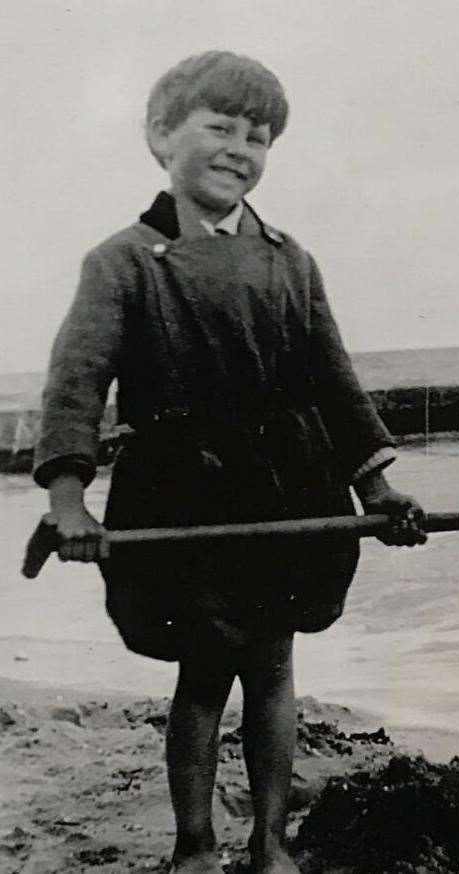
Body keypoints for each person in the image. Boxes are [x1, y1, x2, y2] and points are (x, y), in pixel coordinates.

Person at [33, 50, 426, 874]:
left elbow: (335, 383)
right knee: (206, 673)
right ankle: (195, 847)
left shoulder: (290, 259)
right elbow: (77, 385)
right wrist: (69, 501)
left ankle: (270, 845)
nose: (239, 149)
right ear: (159, 137)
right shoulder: (126, 262)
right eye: (219, 127)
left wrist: (378, 485)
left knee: (275, 664)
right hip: (184, 497)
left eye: (258, 136)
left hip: (288, 488)